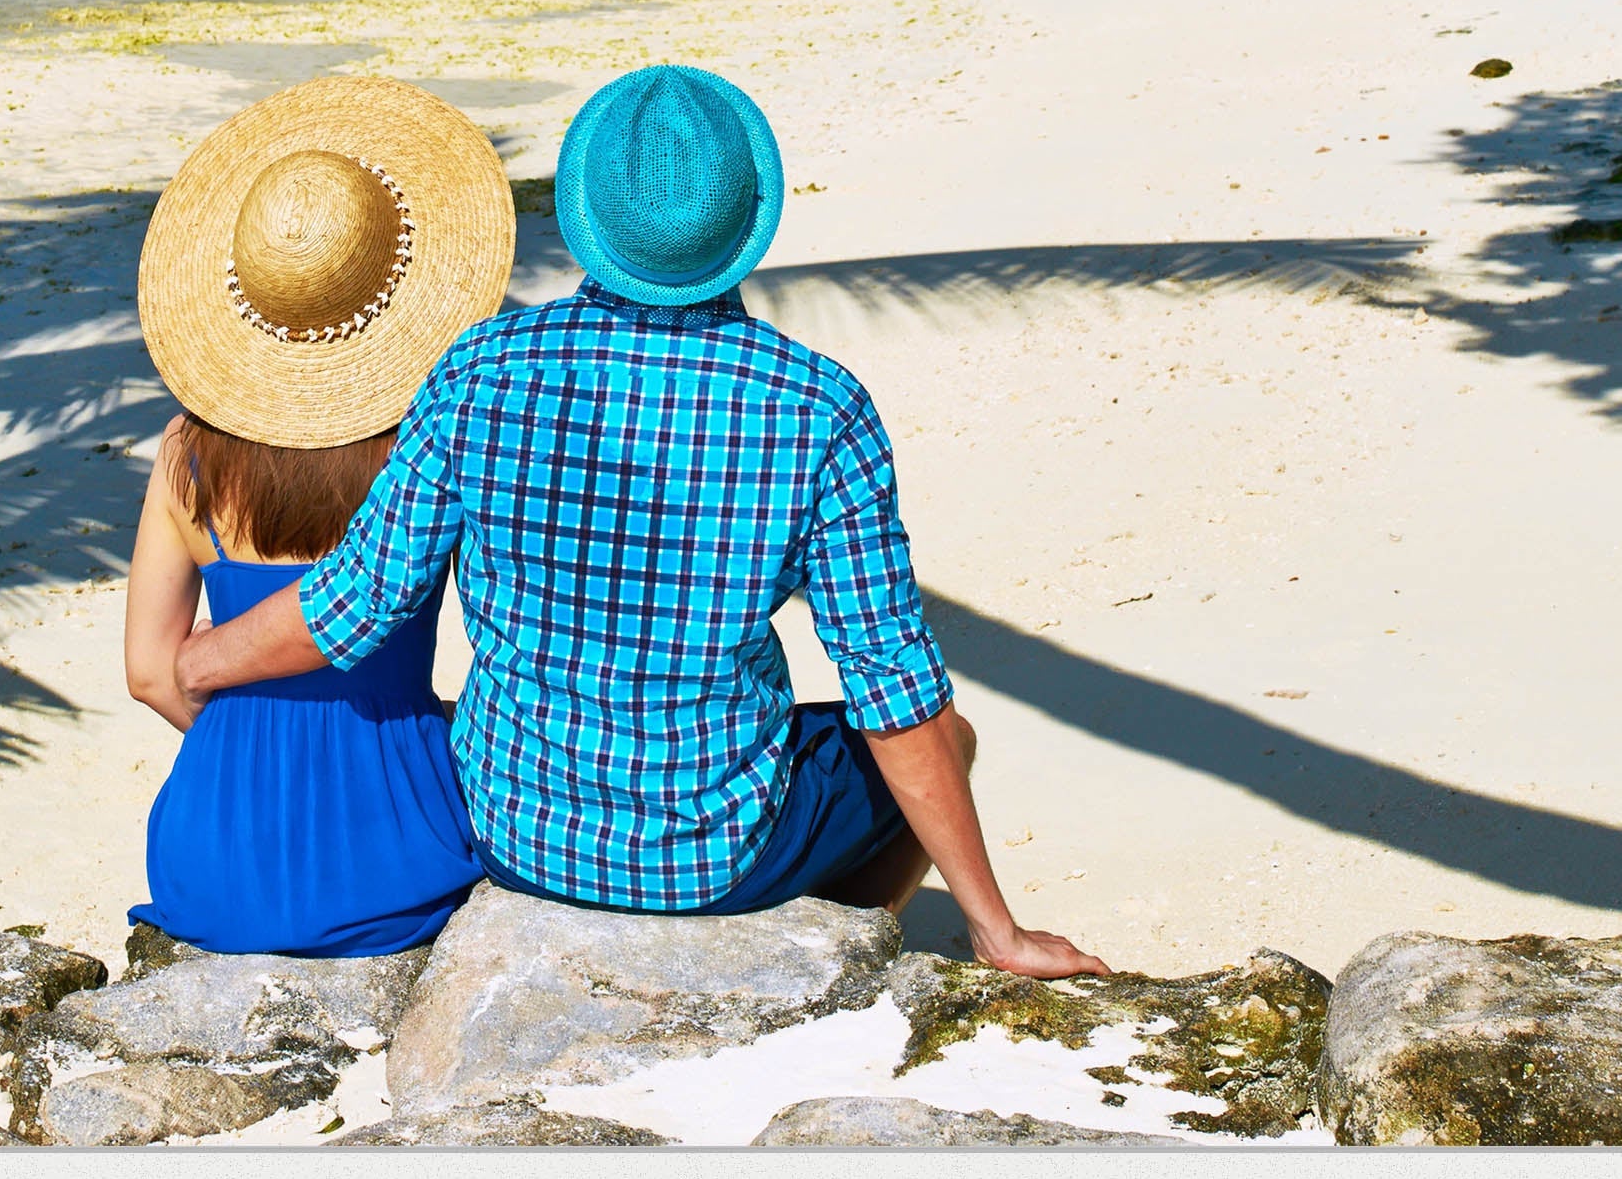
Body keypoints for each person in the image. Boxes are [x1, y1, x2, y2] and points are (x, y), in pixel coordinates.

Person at [172, 63, 1107, 980]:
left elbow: (357, 600)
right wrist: (996, 928)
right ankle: (839, 956)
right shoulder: (820, 407)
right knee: (953, 740)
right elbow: (892, 691)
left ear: (585, 222)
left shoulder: (480, 369)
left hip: (514, 830)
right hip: (714, 855)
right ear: (747, 226)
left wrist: (199, 662)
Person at [120, 75, 518, 957]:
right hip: (397, 844)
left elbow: (151, 674)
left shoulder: (187, 454)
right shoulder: (427, 442)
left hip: (211, 855)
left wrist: (251, 743)